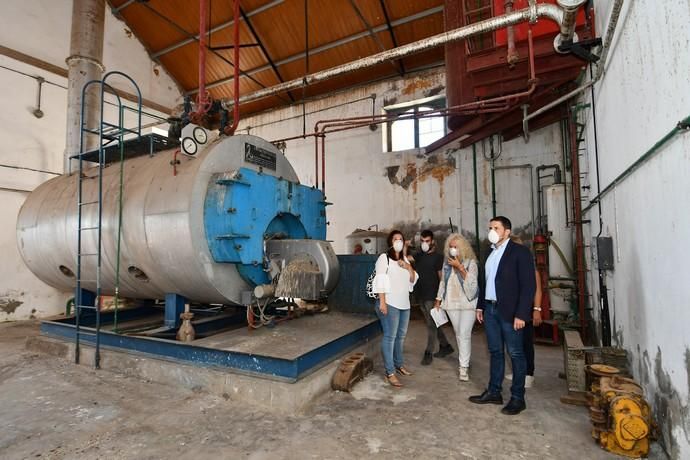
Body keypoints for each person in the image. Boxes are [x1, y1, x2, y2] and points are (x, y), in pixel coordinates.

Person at [469, 216, 536, 415]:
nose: (492, 231)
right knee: (495, 351)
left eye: (496, 227)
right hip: (490, 309)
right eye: (490, 227)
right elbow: (486, 282)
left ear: (507, 231)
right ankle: (494, 392)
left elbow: (528, 285)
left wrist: (522, 314)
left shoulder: (520, 252)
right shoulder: (490, 254)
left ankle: (517, 397)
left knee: (515, 353)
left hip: (510, 311)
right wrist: (480, 306)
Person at [372, 230, 419, 387]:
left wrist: (407, 266)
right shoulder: (383, 258)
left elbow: (413, 278)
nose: (398, 241)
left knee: (401, 336)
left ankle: (399, 365)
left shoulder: (405, 259)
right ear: (390, 242)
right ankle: (390, 371)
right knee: (390, 337)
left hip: (404, 303)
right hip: (390, 303)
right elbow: (380, 281)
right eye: (395, 239)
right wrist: (382, 302)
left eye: (401, 239)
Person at [434, 233, 478, 381]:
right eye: (451, 247)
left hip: (468, 303)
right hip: (451, 303)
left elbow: (473, 285)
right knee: (459, 333)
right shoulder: (447, 263)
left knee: (464, 334)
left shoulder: (470, 263)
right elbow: (443, 282)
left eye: (456, 247)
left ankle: (463, 367)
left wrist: (459, 267)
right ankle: (464, 360)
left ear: (463, 248)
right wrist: (438, 299)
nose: (453, 249)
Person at [413, 230, 454, 365]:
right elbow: (404, 258)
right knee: (434, 323)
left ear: (432, 242)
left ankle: (428, 352)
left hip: (432, 296)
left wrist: (440, 297)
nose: (424, 244)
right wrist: (407, 244)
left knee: (431, 325)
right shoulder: (418, 256)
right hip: (420, 295)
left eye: (427, 241)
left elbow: (441, 278)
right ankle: (445, 346)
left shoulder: (438, 257)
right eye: (422, 241)